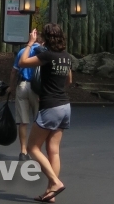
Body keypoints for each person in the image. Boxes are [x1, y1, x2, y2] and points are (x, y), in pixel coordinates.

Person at [19, 24, 73, 203]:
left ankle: (55, 183)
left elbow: (22, 63)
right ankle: (50, 193)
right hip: (65, 105)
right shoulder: (66, 57)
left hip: (51, 106)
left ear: (47, 38)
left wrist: (30, 43)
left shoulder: (47, 55)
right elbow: (69, 80)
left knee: (33, 147)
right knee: (53, 151)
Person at [9, 33, 40, 159]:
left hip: (22, 85)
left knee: (23, 121)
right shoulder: (43, 52)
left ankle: (23, 151)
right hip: (37, 87)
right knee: (38, 121)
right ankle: (35, 149)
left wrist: (11, 86)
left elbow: (13, 71)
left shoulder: (22, 51)